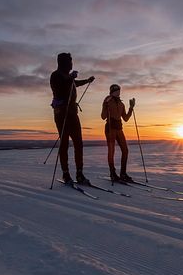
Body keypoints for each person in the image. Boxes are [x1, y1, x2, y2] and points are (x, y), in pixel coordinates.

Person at [50, 52, 95, 184]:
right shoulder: (56, 75)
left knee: (78, 143)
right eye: (70, 61)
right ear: (63, 62)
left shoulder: (67, 77)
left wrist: (87, 81)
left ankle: (79, 173)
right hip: (61, 113)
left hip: (72, 113)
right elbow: (60, 90)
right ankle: (66, 174)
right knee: (64, 143)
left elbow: (74, 83)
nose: (71, 64)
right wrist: (70, 78)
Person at [101, 84, 135, 182]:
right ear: (112, 91)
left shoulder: (121, 104)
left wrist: (131, 108)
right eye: (116, 90)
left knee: (125, 150)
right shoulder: (108, 101)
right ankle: (112, 173)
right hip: (110, 128)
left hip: (119, 129)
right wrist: (105, 105)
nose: (118, 92)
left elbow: (125, 118)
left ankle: (123, 173)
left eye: (119, 90)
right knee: (111, 151)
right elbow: (103, 117)